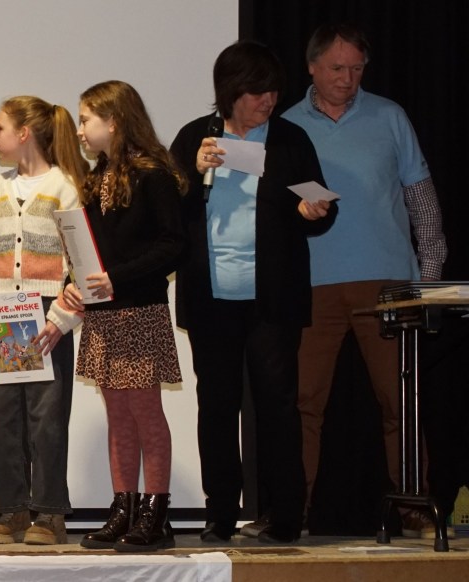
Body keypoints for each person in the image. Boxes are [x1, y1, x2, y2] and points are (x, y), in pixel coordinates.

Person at [281, 24, 447, 537]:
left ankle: (414, 507)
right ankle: (291, 512)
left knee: (400, 402)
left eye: (356, 69)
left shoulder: (390, 116)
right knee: (302, 402)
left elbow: (422, 202)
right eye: (337, 68)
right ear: (311, 67)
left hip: (388, 285)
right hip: (313, 285)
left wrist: (429, 281)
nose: (348, 79)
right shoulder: (286, 125)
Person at [170, 41, 336, 544]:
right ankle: (220, 513)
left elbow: (318, 203)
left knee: (278, 406)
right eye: (257, 92)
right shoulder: (195, 137)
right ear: (230, 92)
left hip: (273, 300)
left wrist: (312, 211)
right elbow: (168, 214)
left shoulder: (289, 139)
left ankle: (285, 515)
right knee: (217, 407)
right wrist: (192, 172)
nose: (268, 100)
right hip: (211, 299)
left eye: (273, 91)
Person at [64, 80, 186, 552]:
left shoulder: (153, 175)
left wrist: (117, 277)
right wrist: (74, 280)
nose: (80, 130)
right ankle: (124, 508)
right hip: (105, 314)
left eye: (86, 120)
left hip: (139, 311)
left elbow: (173, 245)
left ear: (113, 122)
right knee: (118, 415)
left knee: (145, 413)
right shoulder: (96, 180)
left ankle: (156, 512)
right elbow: (90, 249)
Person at [0, 96, 87, 545]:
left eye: (0, 128)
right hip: (3, 314)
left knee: (47, 418)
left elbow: (81, 263)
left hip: (47, 313)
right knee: (0, 416)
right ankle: (12, 510)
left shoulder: (65, 186)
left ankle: (49, 514)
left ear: (24, 133)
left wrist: (62, 317)